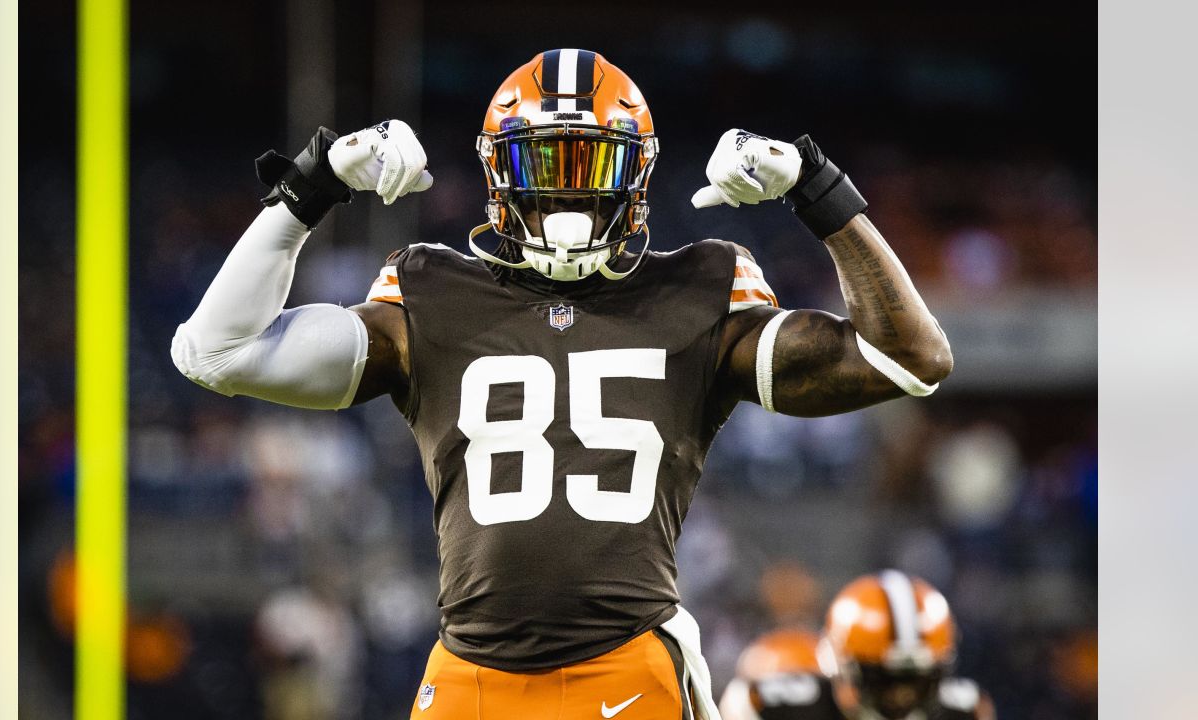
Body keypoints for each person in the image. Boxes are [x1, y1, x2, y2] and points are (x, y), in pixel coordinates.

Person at [171, 48, 953, 719]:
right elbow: (213, 351)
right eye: (544, 166)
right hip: (470, 673)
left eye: (593, 167)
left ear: (635, 176)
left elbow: (911, 357)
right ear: (497, 174)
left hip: (628, 666)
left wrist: (817, 188)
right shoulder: (429, 295)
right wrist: (315, 181)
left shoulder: (698, 290)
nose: (570, 199)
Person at [718, 571, 995, 720]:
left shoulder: (963, 709)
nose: (901, 697)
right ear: (841, 667)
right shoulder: (778, 705)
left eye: (917, 682)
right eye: (882, 680)